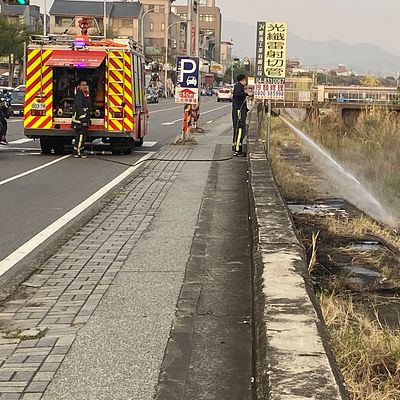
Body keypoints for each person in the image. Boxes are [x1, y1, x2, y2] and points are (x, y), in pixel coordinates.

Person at [71, 79, 91, 158]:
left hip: (82, 120)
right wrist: (83, 120)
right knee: (80, 136)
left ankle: (79, 150)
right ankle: (78, 152)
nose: (84, 86)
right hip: (79, 121)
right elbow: (79, 108)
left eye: (85, 85)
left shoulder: (84, 95)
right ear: (78, 86)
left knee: (82, 137)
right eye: (83, 85)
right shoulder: (78, 96)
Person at [232, 74, 251, 156]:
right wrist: (247, 94)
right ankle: (237, 149)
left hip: (240, 110)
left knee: (239, 129)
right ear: (243, 80)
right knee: (240, 129)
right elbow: (239, 94)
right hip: (238, 111)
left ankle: (237, 147)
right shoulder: (238, 86)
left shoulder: (239, 86)